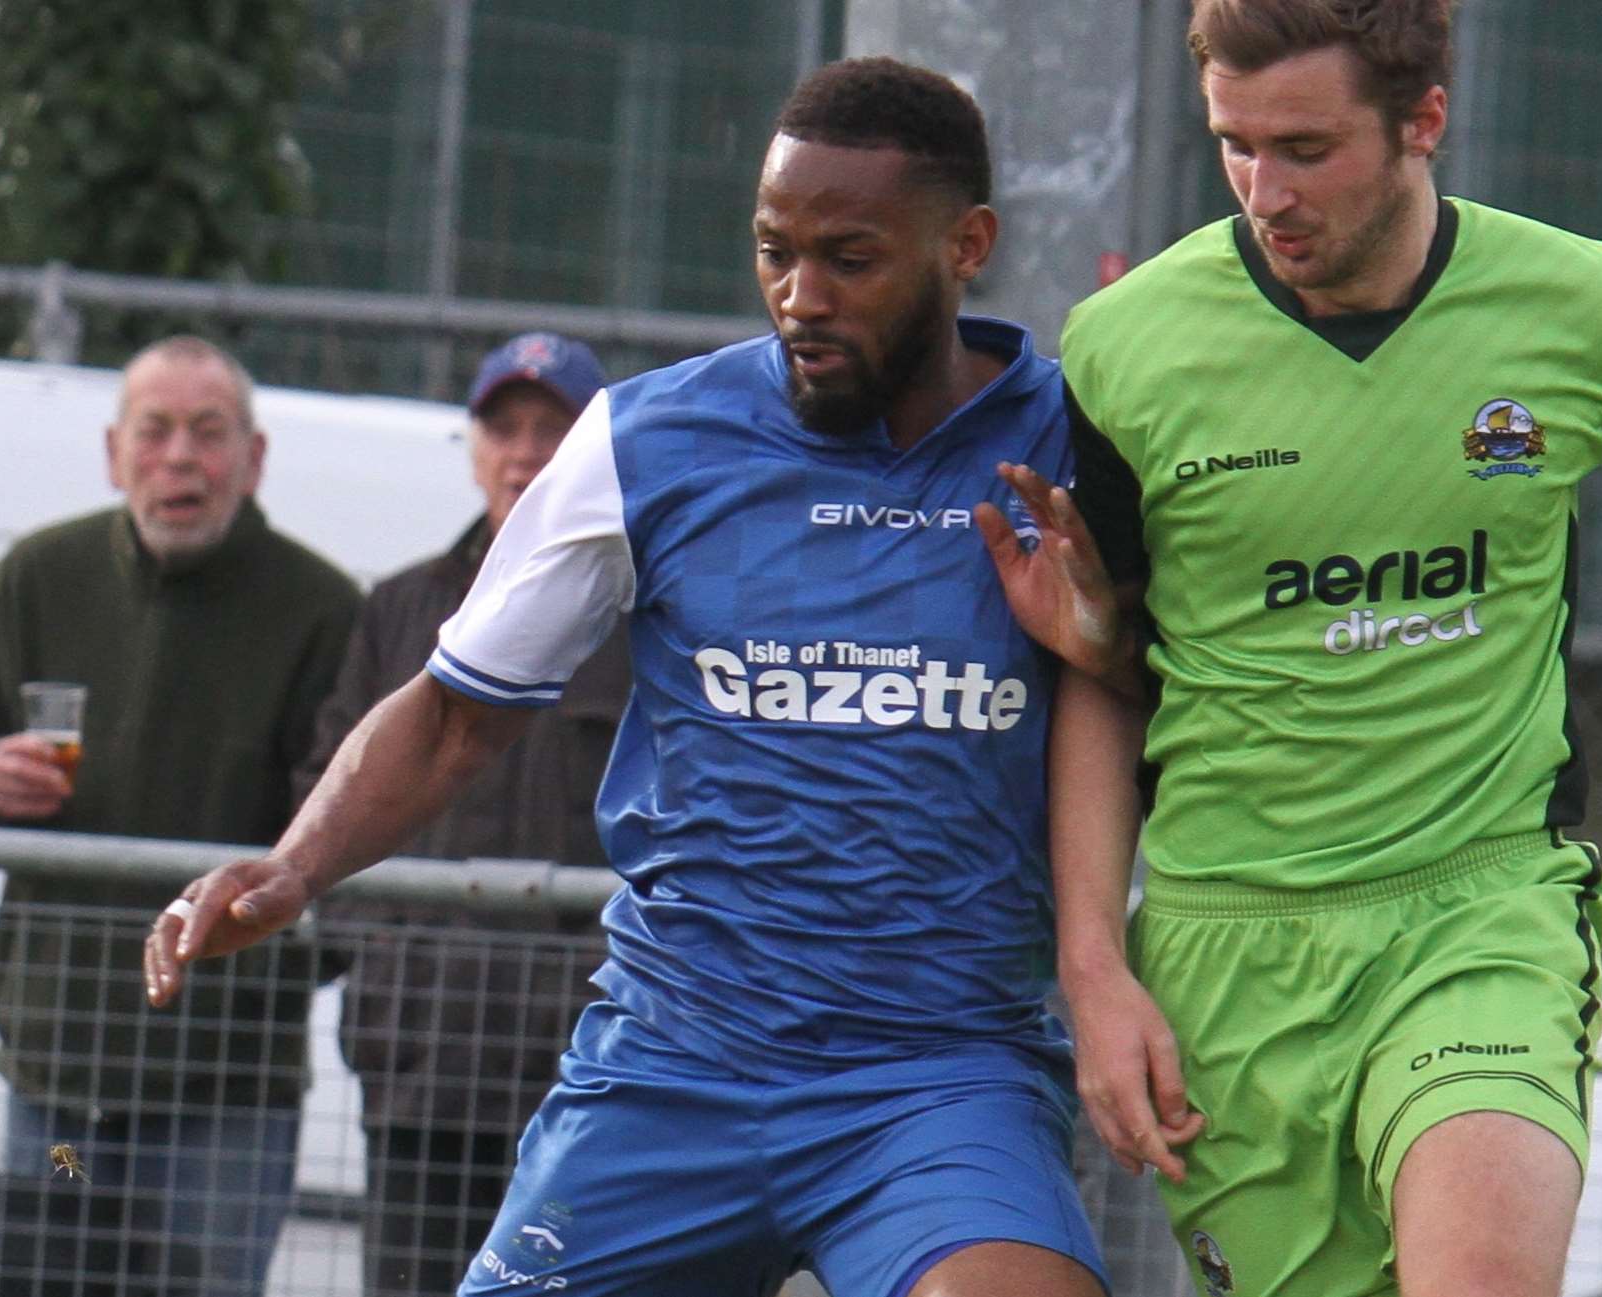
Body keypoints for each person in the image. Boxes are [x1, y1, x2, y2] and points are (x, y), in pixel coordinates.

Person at [146, 56, 1137, 1297]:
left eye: (850, 257)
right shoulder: (646, 437)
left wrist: (1114, 650)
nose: (800, 296)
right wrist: (295, 862)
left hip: (939, 1074)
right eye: (773, 250)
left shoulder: (1075, 442)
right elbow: (457, 712)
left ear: (967, 245)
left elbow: (1180, 695)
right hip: (678, 1061)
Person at [980, 3, 1602, 1296]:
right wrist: (1092, 969)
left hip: (1477, 907)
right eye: (1234, 146)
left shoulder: (1586, 305)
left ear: (1421, 122)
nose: (1266, 193)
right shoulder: (1123, 349)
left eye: (1306, 149)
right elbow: (1094, 674)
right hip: (1229, 949)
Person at [0, 335, 362, 1294]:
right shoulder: (35, 579)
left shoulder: (323, 611)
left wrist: (287, 954)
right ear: (113, 450)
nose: (181, 458)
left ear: (254, 459)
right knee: (44, 1283)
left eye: (209, 434)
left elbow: (360, 826)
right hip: (58, 1086)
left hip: (223, 1098)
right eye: (157, 432)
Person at [296, 331, 630, 1297]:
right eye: (503, 426)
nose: (524, 450)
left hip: (584, 1081)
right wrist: (387, 952)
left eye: (551, 428)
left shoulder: (642, 617)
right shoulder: (399, 612)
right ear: (473, 445)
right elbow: (327, 789)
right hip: (420, 1072)